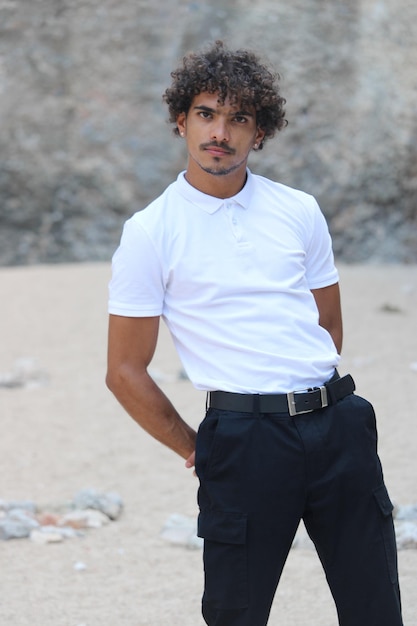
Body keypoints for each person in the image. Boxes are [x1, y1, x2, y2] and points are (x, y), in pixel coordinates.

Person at [106, 41, 403, 626]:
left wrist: (316, 405)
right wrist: (199, 448)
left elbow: (327, 323)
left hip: (338, 426)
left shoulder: (299, 210)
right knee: (237, 613)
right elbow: (123, 370)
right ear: (181, 121)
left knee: (375, 608)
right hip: (243, 443)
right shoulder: (151, 232)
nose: (221, 132)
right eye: (207, 114)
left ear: (259, 132)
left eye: (239, 118)